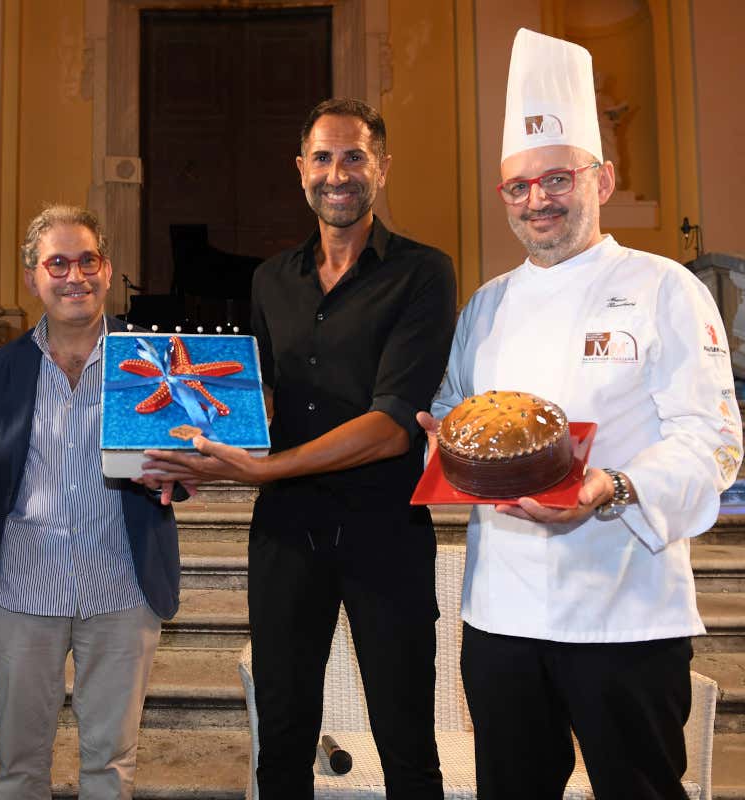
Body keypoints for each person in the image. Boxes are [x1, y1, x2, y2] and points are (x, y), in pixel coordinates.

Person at [418, 29, 742, 799]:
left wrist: (613, 487)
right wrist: (442, 437)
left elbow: (716, 440)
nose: (538, 200)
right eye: (519, 186)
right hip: (502, 616)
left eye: (556, 178)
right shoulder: (487, 305)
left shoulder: (667, 289)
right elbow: (450, 406)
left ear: (604, 177)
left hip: (625, 616)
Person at [144, 99, 456, 798]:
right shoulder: (270, 280)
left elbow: (393, 423)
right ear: (300, 170)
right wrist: (196, 451)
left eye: (354, 157)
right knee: (282, 740)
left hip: (386, 533)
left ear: (382, 168)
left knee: (406, 741)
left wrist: (266, 467)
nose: (337, 173)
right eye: (323, 157)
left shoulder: (423, 274)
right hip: (286, 536)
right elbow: (265, 406)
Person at [0, 205, 182, 799]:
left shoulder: (152, 360)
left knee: (111, 765)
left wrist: (176, 475)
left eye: (87, 260)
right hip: (25, 591)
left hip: (121, 587)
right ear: (32, 277)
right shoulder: (1, 372)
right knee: (19, 767)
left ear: (107, 268)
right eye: (58, 263)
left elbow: (181, 458)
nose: (76, 276)